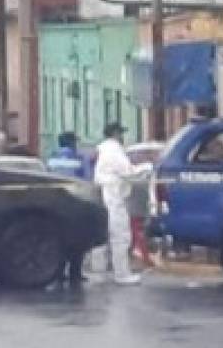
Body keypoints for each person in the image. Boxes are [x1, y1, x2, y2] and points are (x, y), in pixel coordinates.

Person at [93, 123, 149, 286]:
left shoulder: (103, 150)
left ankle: (99, 270)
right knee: (121, 235)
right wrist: (147, 167)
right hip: (114, 195)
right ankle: (122, 274)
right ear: (115, 133)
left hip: (105, 194)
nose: (122, 136)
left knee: (103, 234)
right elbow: (128, 172)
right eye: (121, 133)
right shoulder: (113, 150)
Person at [47, 132, 89, 286]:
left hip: (54, 203)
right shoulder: (78, 158)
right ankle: (75, 273)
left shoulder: (52, 158)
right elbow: (86, 179)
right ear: (72, 143)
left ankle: (58, 272)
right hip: (76, 202)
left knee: (59, 238)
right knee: (79, 240)